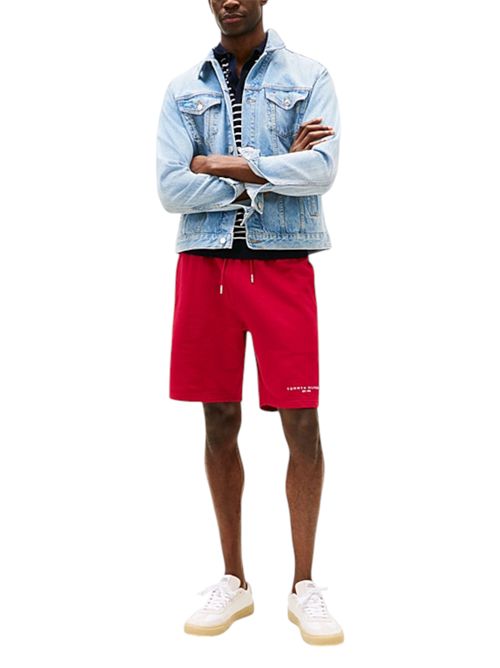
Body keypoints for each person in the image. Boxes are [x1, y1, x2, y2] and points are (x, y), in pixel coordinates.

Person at [156, 0, 343, 646]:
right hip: (204, 265)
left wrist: (219, 163)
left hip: (283, 262)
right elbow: (170, 189)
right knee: (218, 420)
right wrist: (270, 168)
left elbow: (321, 171)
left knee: (302, 422)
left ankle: (304, 585)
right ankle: (234, 580)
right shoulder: (183, 89)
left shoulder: (310, 77)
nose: (229, 0)